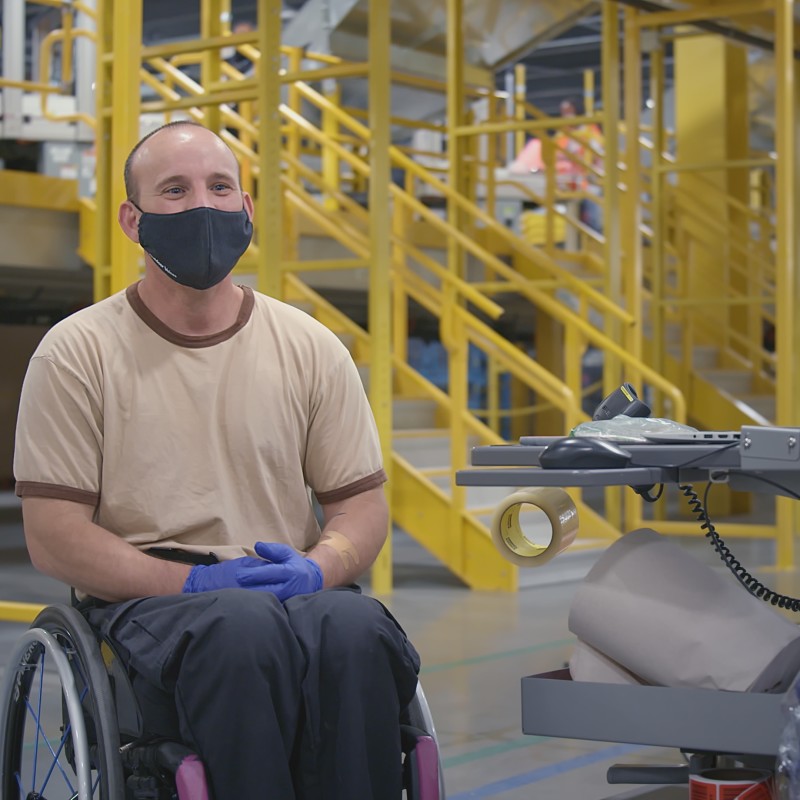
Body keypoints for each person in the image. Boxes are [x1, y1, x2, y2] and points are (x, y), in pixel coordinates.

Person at [13, 120, 421, 800]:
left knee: (356, 628)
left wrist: (319, 568)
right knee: (239, 629)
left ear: (248, 209)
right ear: (132, 220)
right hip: (150, 600)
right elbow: (55, 537)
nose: (201, 206)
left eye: (219, 187)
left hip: (287, 584)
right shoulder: (76, 353)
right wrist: (192, 585)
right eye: (174, 190)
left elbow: (360, 508)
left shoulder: (311, 347)